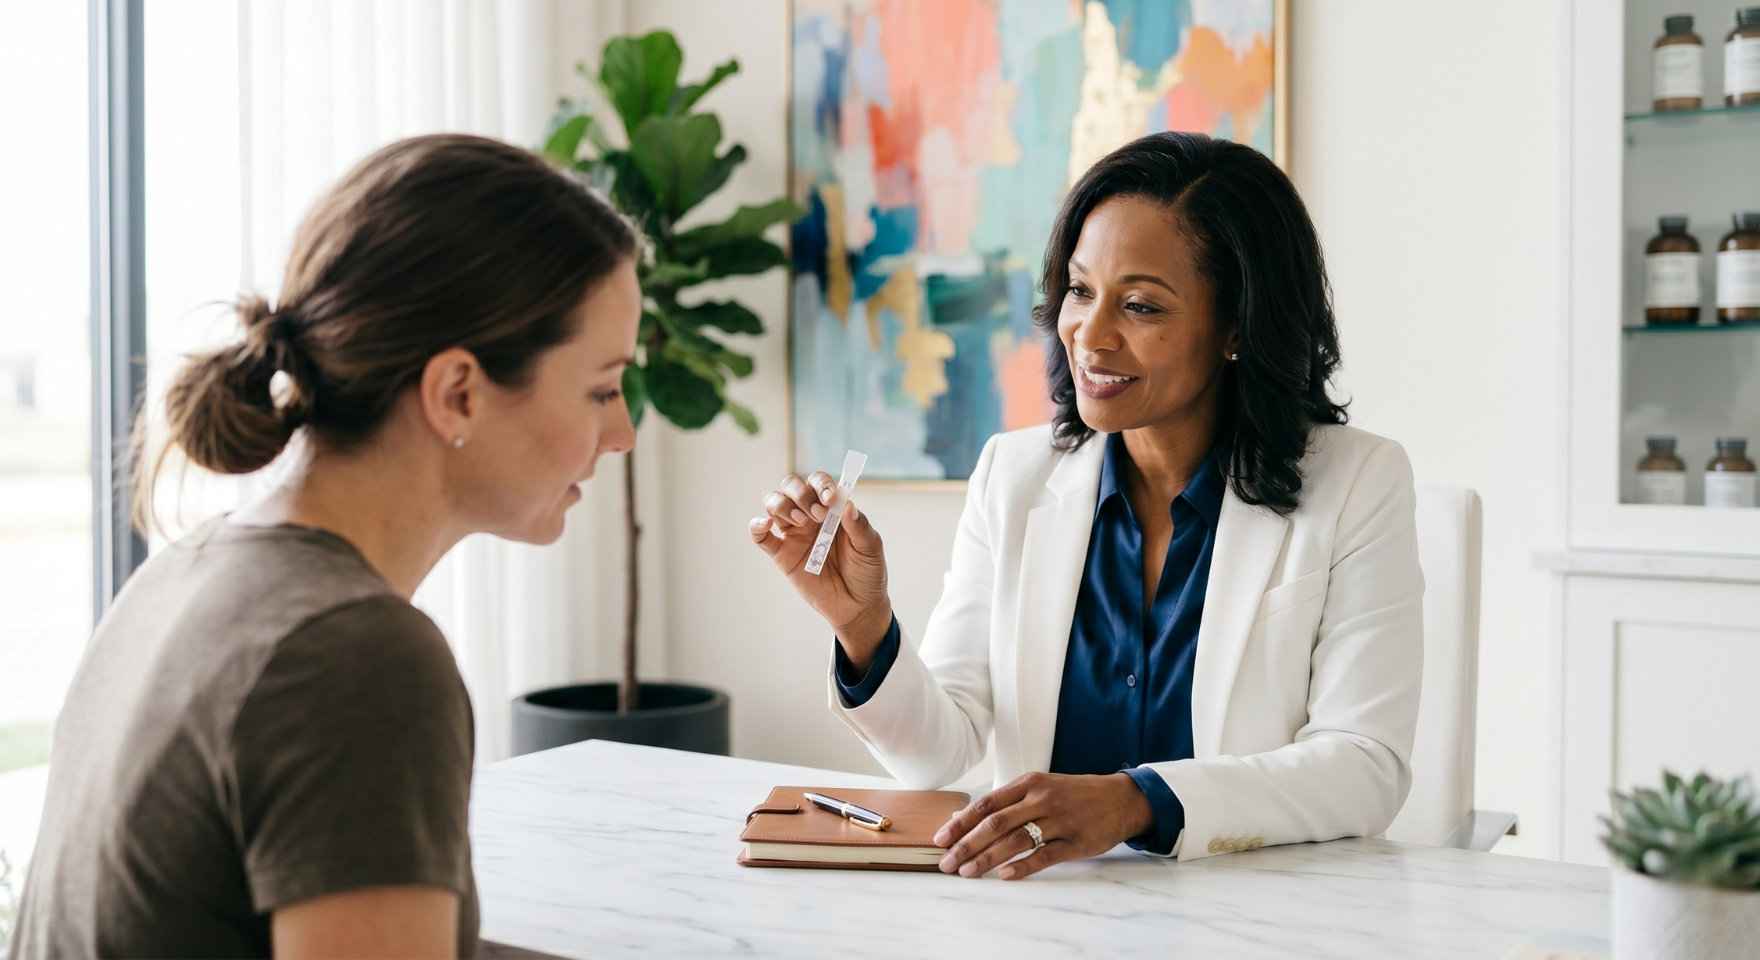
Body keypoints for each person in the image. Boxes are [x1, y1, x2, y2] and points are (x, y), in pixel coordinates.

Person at [9, 134, 639, 958]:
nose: (622, 433)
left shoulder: (181, 578)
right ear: (458, 394)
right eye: (601, 388)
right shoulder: (356, 657)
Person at [751, 132, 1423, 881]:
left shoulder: (1360, 481)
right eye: (1079, 290)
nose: (1090, 337)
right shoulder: (1014, 474)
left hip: (1243, 921)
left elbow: (1366, 766)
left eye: (1139, 305)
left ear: (1237, 328)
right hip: (1043, 917)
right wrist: (862, 625)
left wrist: (1135, 802)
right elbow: (943, 753)